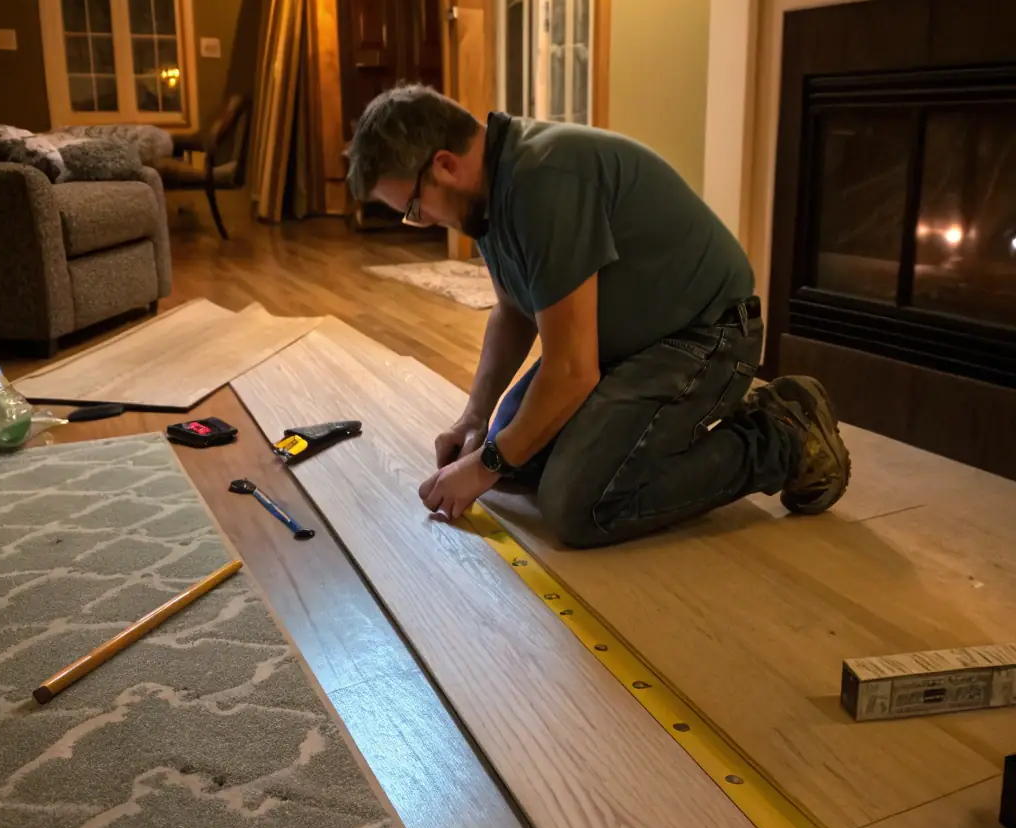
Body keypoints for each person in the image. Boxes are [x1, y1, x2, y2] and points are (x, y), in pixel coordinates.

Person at [348, 85, 850, 549]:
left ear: (444, 165)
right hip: (624, 345)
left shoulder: (543, 181)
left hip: (707, 336)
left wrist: (486, 465)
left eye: (414, 207)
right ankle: (654, 430)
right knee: (516, 464)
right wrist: (475, 418)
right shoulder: (486, 193)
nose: (421, 221)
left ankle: (780, 434)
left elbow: (571, 370)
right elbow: (513, 312)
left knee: (579, 504)